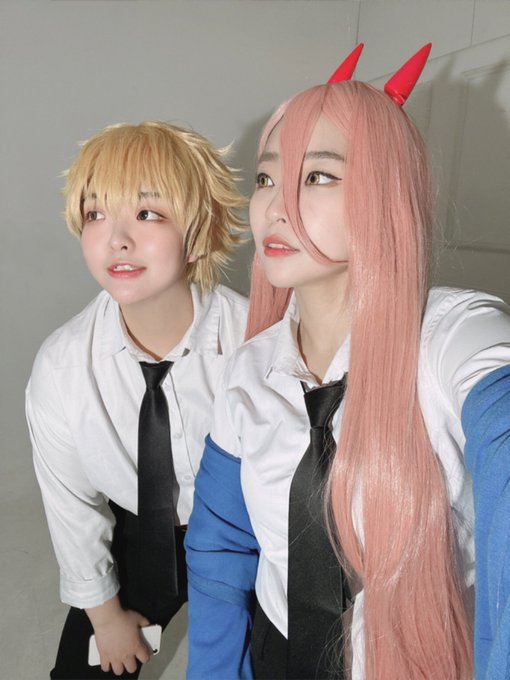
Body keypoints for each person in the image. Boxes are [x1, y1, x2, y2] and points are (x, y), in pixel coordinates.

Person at [184, 44, 510, 680]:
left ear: (384, 195)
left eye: (318, 176)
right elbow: (220, 547)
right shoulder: (248, 370)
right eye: (267, 178)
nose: (276, 206)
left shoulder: (455, 337)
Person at [25, 120, 248, 679]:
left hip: (251, 528)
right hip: (143, 529)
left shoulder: (258, 342)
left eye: (148, 213)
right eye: (96, 213)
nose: (116, 239)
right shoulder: (63, 367)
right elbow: (72, 506)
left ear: (200, 232)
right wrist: (105, 617)